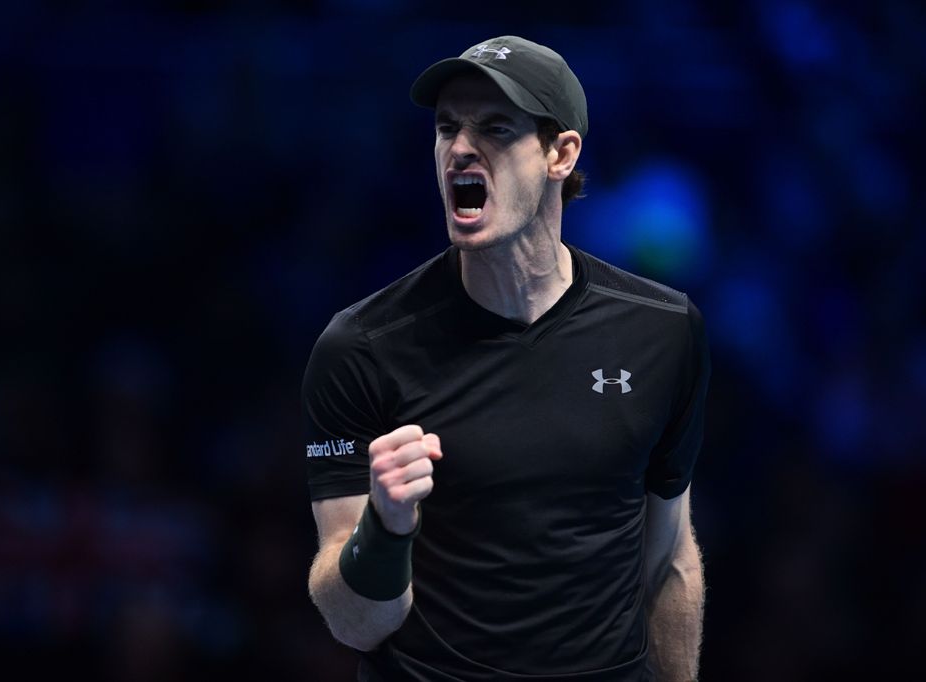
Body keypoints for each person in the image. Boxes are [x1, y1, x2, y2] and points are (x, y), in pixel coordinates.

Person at [303, 35, 710, 681]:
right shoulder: (362, 347)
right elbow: (356, 622)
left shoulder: (662, 331)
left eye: (496, 127)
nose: (461, 147)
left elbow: (668, 559)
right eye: (446, 128)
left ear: (560, 153)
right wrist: (385, 524)